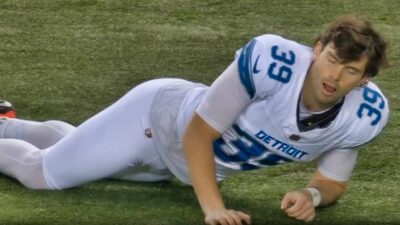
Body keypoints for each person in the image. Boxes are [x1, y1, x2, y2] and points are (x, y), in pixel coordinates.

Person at [0, 15, 388, 225]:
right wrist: (213, 208)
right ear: (318, 49)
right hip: (153, 122)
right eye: (332, 60)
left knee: (82, 149)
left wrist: (311, 195)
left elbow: (332, 181)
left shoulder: (362, 116)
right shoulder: (273, 63)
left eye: (350, 70)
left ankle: (6, 123)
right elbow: (199, 133)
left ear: (365, 79)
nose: (334, 77)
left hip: (182, 165)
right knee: (44, 175)